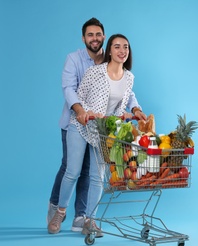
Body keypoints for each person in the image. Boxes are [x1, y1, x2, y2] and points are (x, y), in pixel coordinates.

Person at [47, 18, 145, 233]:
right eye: (117, 46)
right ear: (109, 50)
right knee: (72, 171)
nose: (122, 50)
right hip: (81, 125)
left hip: (102, 130)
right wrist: (83, 112)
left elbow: (123, 103)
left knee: (97, 177)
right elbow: (74, 93)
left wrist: (133, 113)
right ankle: (59, 213)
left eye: (125, 47)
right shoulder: (91, 69)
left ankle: (89, 219)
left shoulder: (129, 78)